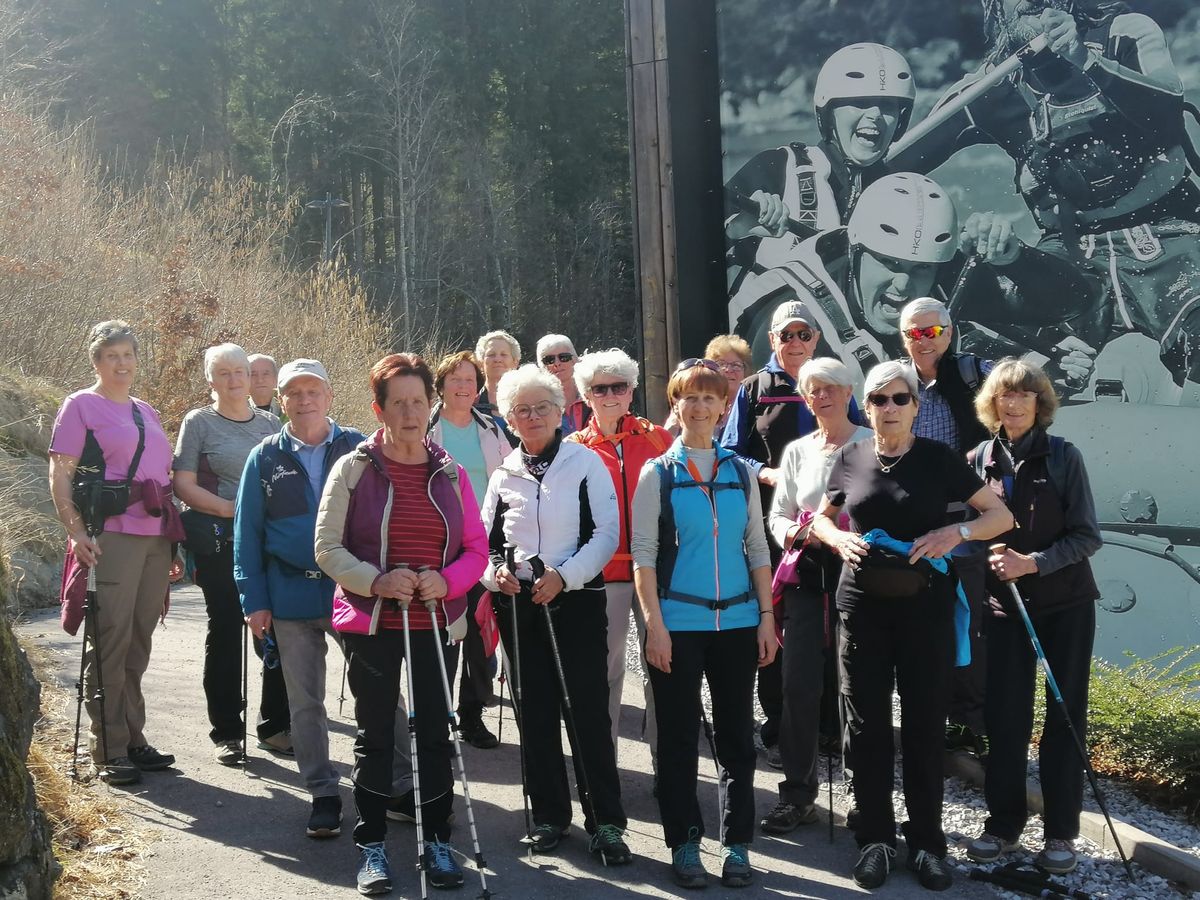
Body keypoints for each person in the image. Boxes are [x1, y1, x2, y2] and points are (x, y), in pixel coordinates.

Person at [893, 1, 1200, 403]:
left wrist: (1083, 59)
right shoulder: (988, 86)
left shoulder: (1126, 32)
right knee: (964, 325)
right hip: (1070, 258)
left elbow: (1168, 106)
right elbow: (895, 162)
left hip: (1173, 243)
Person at [810, 360, 1012, 892]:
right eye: (879, 400)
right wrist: (837, 539)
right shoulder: (850, 457)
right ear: (867, 407)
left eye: (901, 399)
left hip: (925, 611)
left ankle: (926, 845)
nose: (890, 408)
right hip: (862, 610)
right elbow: (821, 518)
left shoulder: (941, 460)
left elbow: (1000, 517)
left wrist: (956, 533)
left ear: (916, 407)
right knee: (867, 728)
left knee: (924, 728)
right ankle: (875, 839)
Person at [315, 353, 488, 895]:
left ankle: (437, 840)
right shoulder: (355, 467)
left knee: (436, 732)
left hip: (437, 621)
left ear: (430, 405)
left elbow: (477, 549)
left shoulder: (451, 472)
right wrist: (375, 580)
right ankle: (371, 846)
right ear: (380, 410)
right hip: (373, 623)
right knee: (375, 736)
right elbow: (327, 547)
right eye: (399, 403)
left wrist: (450, 580)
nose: (411, 412)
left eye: (419, 401)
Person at [726, 172, 1091, 388]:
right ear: (855, 251)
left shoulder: (935, 273)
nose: (903, 285)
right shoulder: (790, 321)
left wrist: (1015, 257)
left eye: (920, 270)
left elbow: (1074, 301)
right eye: (888, 263)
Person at [630, 357, 776, 889]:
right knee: (676, 738)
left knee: (738, 736)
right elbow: (643, 554)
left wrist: (765, 618)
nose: (699, 407)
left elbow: (757, 548)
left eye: (710, 398)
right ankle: (684, 843)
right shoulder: (659, 472)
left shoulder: (740, 471)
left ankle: (736, 845)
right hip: (679, 623)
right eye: (689, 397)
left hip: (739, 621)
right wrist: (654, 627)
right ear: (676, 404)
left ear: (724, 406)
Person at [479, 364, 630, 865]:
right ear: (509, 419)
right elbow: (481, 545)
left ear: (559, 410)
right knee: (536, 713)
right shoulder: (503, 473)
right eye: (521, 410)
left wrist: (566, 575)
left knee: (586, 713)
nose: (532, 416)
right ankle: (548, 816)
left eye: (541, 407)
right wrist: (492, 577)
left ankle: (606, 822)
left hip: (577, 600)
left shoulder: (584, 463)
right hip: (519, 605)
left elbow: (606, 533)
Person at [964, 359, 1102, 876]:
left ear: (1039, 403)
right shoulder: (978, 458)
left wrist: (1032, 564)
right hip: (1005, 611)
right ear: (993, 404)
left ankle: (1062, 831)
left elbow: (1087, 536)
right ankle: (1003, 824)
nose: (1015, 403)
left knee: (1064, 721)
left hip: (1064, 606)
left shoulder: (1064, 456)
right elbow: (969, 529)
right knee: (1005, 718)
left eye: (1025, 395)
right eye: (1005, 395)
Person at [721, 300, 859, 766]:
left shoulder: (833, 380)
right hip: (774, 527)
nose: (796, 342)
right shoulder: (753, 389)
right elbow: (730, 451)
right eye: (787, 335)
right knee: (780, 623)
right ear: (773, 340)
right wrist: (763, 472)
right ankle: (780, 725)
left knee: (835, 629)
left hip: (840, 534)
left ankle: (829, 728)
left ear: (816, 338)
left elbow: (860, 438)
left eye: (804, 334)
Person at [233, 359, 365, 838]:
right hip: (288, 593)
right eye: (294, 392)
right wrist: (254, 600)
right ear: (281, 400)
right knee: (304, 703)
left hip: (353, 590)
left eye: (314, 390)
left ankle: (396, 784)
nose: (304, 399)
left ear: (329, 395)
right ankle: (323, 792)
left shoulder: (360, 447)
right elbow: (245, 534)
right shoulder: (264, 457)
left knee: (379, 691)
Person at [48, 320, 181, 786]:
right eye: (111, 356)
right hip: (111, 535)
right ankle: (108, 749)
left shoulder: (147, 410)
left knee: (140, 639)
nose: (121, 364)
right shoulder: (80, 405)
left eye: (127, 354)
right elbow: (60, 475)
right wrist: (76, 532)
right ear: (96, 361)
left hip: (155, 538)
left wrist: (174, 543)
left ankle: (133, 739)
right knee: (110, 638)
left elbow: (161, 479)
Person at [761, 358, 873, 835]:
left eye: (830, 387)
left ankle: (864, 797)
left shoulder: (871, 446)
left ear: (849, 392)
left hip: (861, 581)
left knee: (857, 690)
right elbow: (778, 514)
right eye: (812, 390)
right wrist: (794, 532)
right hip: (807, 577)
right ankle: (798, 794)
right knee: (799, 686)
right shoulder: (798, 450)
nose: (821, 396)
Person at [173, 342, 289, 765]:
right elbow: (183, 483)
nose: (235, 379)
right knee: (226, 629)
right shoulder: (198, 422)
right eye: (224, 372)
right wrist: (234, 510)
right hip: (220, 539)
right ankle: (227, 730)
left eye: (240, 371)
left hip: (268, 542)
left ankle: (275, 725)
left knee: (278, 629)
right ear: (210, 380)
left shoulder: (271, 423)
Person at [724, 43, 915, 284]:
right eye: (860, 101)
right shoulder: (776, 166)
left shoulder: (901, 194)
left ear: (901, 119)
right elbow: (692, 248)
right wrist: (738, 229)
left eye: (888, 105)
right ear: (829, 113)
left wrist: (974, 244)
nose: (875, 114)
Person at [899, 297, 995, 758]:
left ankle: (969, 722)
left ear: (949, 333)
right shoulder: (895, 385)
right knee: (920, 621)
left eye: (930, 332)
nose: (922, 341)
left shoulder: (979, 375)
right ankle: (928, 717)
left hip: (966, 519)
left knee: (967, 622)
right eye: (913, 333)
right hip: (913, 523)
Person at [567, 348, 672, 757]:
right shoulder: (574, 447)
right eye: (600, 388)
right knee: (605, 673)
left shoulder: (656, 438)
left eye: (619, 386)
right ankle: (602, 767)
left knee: (660, 668)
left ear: (631, 392)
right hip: (601, 576)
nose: (610, 394)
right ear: (586, 396)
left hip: (653, 574)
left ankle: (668, 765)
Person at [428, 350, 513, 750]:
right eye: (455, 379)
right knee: (443, 632)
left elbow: (512, 478)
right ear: (441, 386)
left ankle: (472, 713)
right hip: (438, 545)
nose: (463, 387)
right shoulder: (426, 429)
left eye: (469, 380)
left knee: (480, 632)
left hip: (483, 544)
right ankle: (436, 713)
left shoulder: (492, 429)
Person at [664, 334, 752, 436]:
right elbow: (666, 441)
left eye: (736, 365)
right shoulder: (687, 408)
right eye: (721, 364)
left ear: (746, 371)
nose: (728, 370)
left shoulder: (751, 406)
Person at [535, 334, 590, 435]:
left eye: (564, 357)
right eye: (549, 360)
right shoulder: (539, 405)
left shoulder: (593, 396)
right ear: (542, 366)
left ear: (574, 360)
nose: (557, 363)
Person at [474, 330, 521, 424]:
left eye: (503, 355)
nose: (498, 359)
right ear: (481, 362)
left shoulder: (529, 400)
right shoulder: (472, 404)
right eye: (491, 355)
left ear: (516, 362)